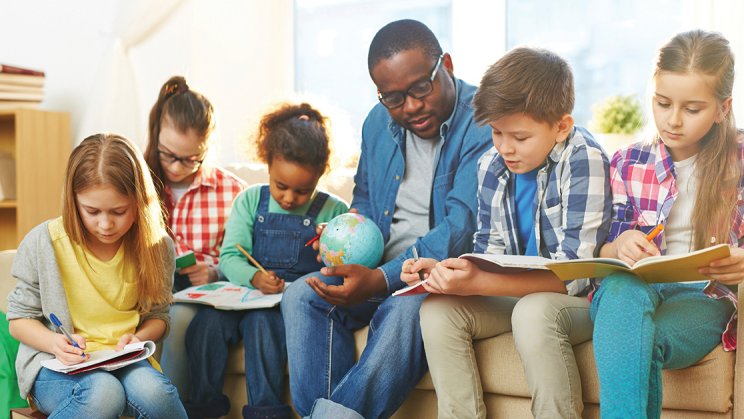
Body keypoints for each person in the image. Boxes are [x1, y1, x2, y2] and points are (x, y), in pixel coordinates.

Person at [281, 19, 493, 419]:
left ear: (446, 64)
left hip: (439, 276)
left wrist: (381, 279)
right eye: (393, 98)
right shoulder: (377, 123)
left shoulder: (483, 122)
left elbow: (460, 230)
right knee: (301, 295)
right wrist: (344, 234)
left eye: (419, 89)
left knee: (407, 308)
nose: (410, 107)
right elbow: (363, 199)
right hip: (378, 269)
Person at [591, 30, 744, 417]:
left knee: (638, 342)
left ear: (722, 107)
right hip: (633, 290)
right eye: (662, 103)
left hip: (707, 296)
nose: (673, 120)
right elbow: (602, 250)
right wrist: (619, 246)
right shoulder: (627, 162)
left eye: (692, 108)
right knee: (619, 288)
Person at [402, 46, 611, 418]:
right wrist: (449, 271)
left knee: (533, 311)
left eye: (519, 137)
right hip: (520, 293)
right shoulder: (491, 166)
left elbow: (577, 277)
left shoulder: (583, 159)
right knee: (437, 310)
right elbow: (489, 250)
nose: (505, 147)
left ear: (561, 126)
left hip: (579, 300)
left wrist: (481, 281)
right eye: (497, 132)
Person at [182, 103, 349, 419]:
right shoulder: (249, 200)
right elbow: (230, 256)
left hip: (285, 308)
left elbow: (341, 267)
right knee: (204, 326)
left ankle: (266, 413)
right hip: (244, 295)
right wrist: (255, 278)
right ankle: (201, 409)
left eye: (302, 191)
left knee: (262, 328)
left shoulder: (334, 210)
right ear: (268, 166)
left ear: (320, 175)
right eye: (281, 186)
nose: (288, 198)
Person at [6, 133, 186, 419]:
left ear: (140, 203)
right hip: (56, 364)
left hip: (124, 361)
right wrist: (55, 344)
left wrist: (138, 338)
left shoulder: (157, 246)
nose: (105, 224)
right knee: (103, 392)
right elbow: (18, 321)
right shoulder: (44, 242)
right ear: (73, 200)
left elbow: (159, 316)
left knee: (156, 394)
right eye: (91, 211)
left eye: (119, 211)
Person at [143, 76, 246, 400]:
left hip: (202, 297)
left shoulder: (232, 191)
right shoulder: (139, 181)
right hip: (146, 290)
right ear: (156, 136)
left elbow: (245, 254)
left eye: (191, 159)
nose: (176, 167)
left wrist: (214, 270)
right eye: (168, 155)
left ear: (208, 147)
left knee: (174, 322)